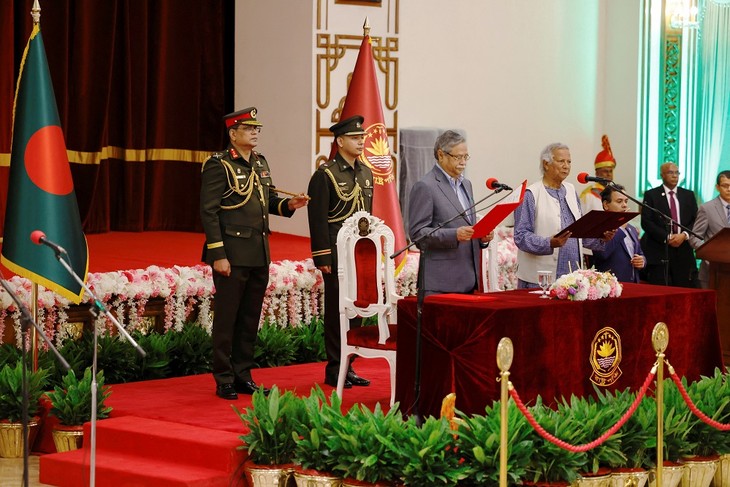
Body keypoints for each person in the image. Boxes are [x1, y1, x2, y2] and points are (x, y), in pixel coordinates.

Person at [200, 107, 309, 400]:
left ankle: (243, 375)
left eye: (256, 128)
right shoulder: (218, 165)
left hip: (259, 252)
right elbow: (209, 212)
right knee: (227, 319)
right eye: (248, 129)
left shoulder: (260, 163)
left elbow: (267, 200)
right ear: (233, 134)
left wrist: (289, 206)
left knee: (249, 318)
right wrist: (218, 253)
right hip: (232, 254)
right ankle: (223, 378)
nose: (255, 133)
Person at [307, 115, 373, 389]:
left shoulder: (366, 172)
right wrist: (322, 256)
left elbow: (368, 218)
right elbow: (318, 218)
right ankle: (335, 368)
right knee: (337, 313)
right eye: (355, 138)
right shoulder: (326, 175)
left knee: (358, 311)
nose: (361, 142)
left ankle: (350, 365)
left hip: (360, 256)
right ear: (340, 141)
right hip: (336, 255)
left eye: (362, 138)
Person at [513, 142, 612, 288]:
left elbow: (579, 233)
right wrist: (548, 243)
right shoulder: (531, 193)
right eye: (561, 161)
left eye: (569, 161)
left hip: (572, 277)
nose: (566, 166)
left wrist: (601, 237)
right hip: (539, 278)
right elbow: (520, 236)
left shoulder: (571, 190)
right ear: (546, 164)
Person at [407, 130, 493, 296]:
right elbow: (418, 234)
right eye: (457, 157)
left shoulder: (466, 184)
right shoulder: (425, 186)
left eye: (466, 157)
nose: (463, 162)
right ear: (441, 155)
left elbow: (468, 225)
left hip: (468, 278)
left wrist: (482, 238)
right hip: (441, 283)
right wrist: (454, 235)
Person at [640, 162, 698, 287]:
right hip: (660, 249)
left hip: (683, 249)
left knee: (684, 289)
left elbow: (696, 219)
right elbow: (646, 222)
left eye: (677, 172)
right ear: (662, 175)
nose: (674, 176)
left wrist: (684, 234)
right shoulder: (652, 195)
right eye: (670, 172)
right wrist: (667, 237)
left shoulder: (688, 195)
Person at [592, 185, 645, 282]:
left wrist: (642, 261)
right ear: (606, 205)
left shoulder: (631, 228)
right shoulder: (599, 228)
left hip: (633, 284)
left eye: (626, 201)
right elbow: (602, 254)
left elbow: (639, 252)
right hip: (611, 285)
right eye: (619, 201)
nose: (624, 205)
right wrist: (620, 227)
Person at [689, 169, 730, 288]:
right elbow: (694, 238)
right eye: (725, 186)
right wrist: (709, 253)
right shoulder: (707, 208)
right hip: (712, 270)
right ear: (717, 187)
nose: (729, 189)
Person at [580, 134, 616, 214]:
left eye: (611, 171)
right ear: (597, 173)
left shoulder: (615, 193)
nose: (609, 174)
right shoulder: (589, 195)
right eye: (605, 171)